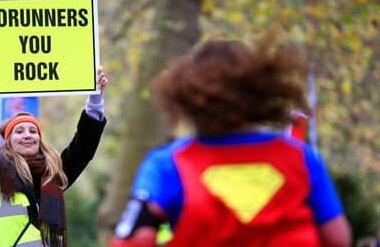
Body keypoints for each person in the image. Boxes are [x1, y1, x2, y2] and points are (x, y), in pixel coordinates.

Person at [110, 33, 352, 246]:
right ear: (259, 92)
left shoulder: (167, 164)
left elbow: (134, 240)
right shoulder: (302, 157)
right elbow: (337, 238)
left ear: (185, 96)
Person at [0, 64, 107, 247]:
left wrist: (95, 100)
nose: (28, 135)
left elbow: (82, 149)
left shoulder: (52, 175)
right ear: (8, 142)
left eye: (33, 131)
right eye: (19, 131)